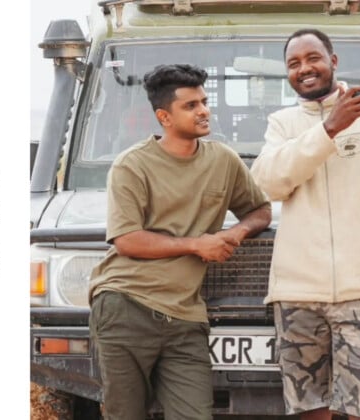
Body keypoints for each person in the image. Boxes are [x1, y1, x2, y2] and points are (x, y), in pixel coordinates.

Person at [250, 29, 360, 420]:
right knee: (307, 406)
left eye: (313, 58)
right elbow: (269, 182)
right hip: (297, 290)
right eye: (293, 64)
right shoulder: (281, 123)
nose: (304, 69)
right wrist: (329, 128)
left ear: (334, 60)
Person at [88, 63, 271, 420]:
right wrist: (196, 245)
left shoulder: (223, 159)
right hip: (126, 305)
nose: (203, 111)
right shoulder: (132, 165)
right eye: (190, 105)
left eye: (204, 102)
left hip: (186, 316)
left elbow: (260, 210)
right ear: (164, 117)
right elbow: (126, 239)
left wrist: (235, 232)